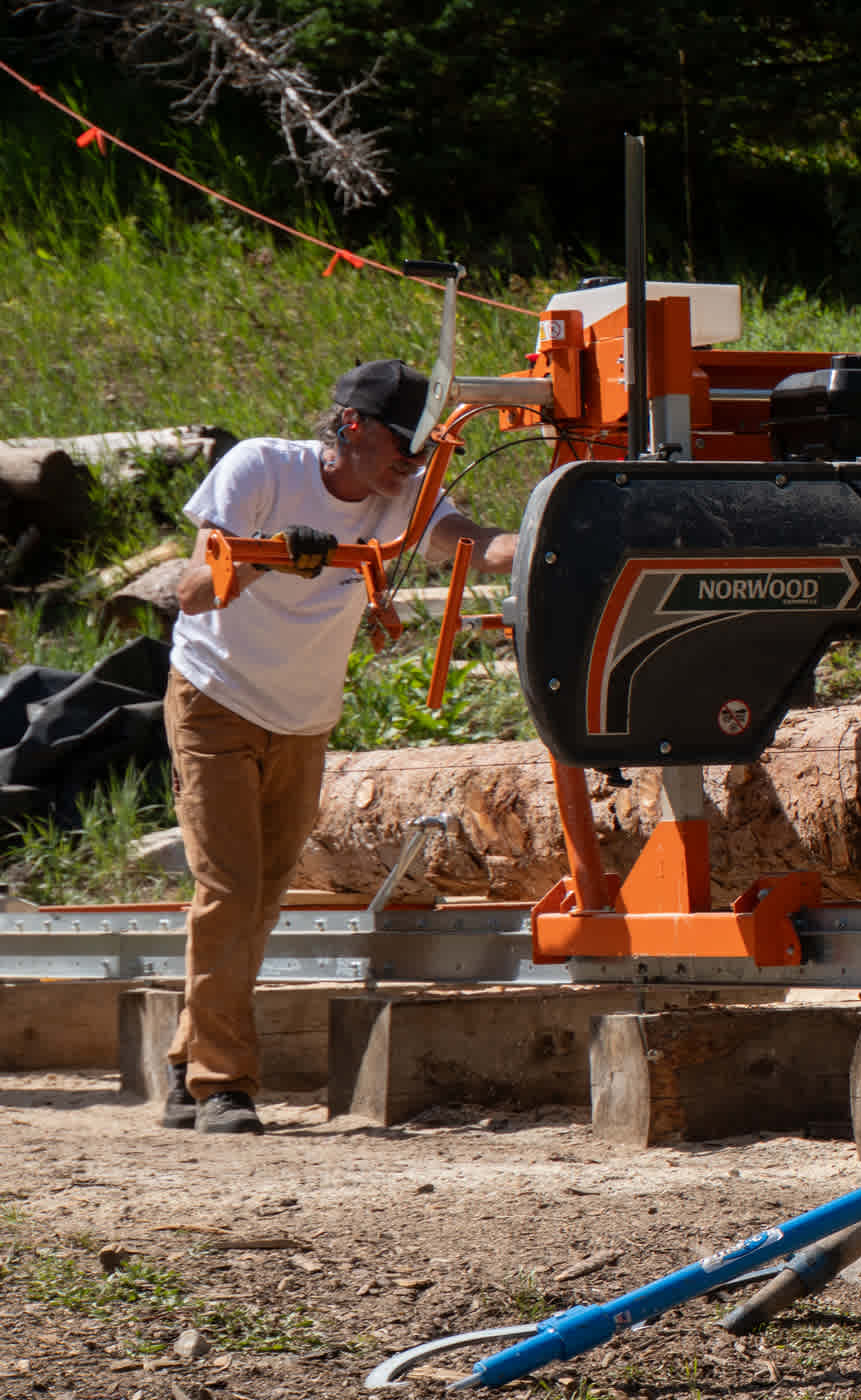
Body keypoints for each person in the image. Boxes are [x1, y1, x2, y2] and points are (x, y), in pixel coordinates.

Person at [160, 359, 516, 1134]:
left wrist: (553, 539)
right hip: (215, 700)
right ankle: (223, 1084)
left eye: (423, 450)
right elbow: (191, 591)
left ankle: (188, 1058)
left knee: (261, 898)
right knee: (229, 889)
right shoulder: (261, 469)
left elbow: (474, 543)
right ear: (351, 425)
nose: (412, 464)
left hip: (304, 718)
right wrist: (267, 554)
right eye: (401, 444)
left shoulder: (405, 494)